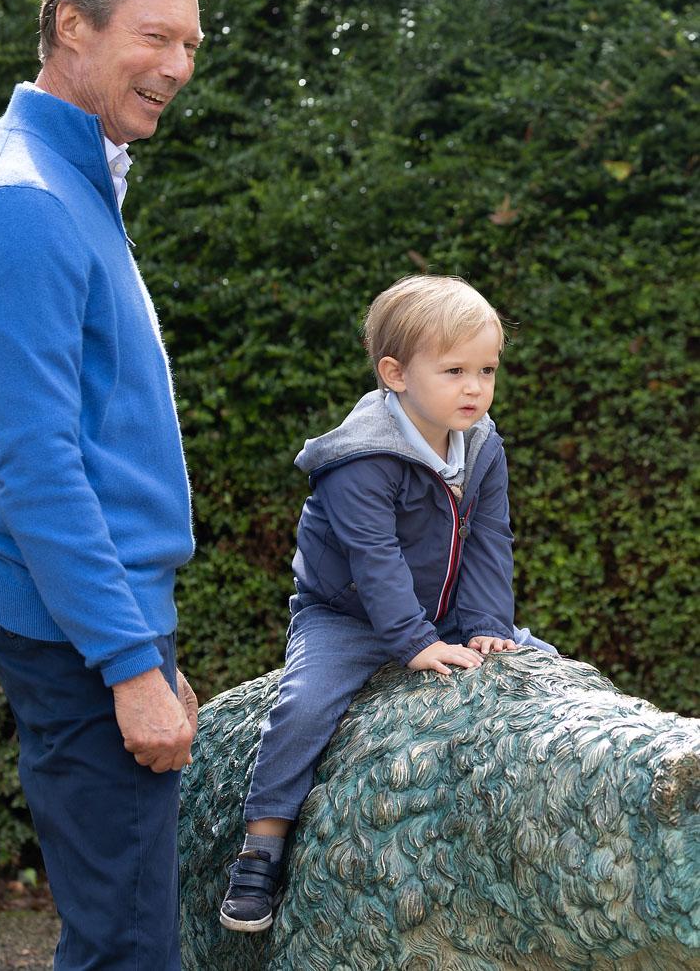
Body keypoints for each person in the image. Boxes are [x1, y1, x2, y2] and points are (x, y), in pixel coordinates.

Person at [0, 0, 204, 970]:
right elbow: (33, 465)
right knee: (126, 951)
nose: (176, 66)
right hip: (81, 636)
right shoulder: (24, 202)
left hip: (110, 620)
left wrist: (149, 646)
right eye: (155, 37)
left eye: (191, 47)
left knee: (124, 935)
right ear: (71, 26)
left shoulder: (77, 180)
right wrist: (128, 663)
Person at [219, 273, 558, 932]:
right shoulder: (358, 458)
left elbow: (490, 536)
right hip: (347, 615)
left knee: (541, 665)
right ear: (395, 373)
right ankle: (259, 847)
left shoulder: (481, 444)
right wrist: (414, 643)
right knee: (303, 704)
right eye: (454, 369)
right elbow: (373, 562)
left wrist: (487, 625)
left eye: (485, 369)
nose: (474, 387)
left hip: (448, 609)